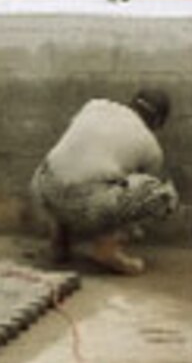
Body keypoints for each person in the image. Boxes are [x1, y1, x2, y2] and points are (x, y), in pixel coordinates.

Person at [30, 89, 179, 275]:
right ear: (158, 121)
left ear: (130, 102)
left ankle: (59, 243)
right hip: (84, 203)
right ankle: (107, 249)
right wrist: (131, 228)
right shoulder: (151, 146)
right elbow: (141, 190)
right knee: (163, 195)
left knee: (71, 170)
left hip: (42, 190)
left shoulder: (94, 105)